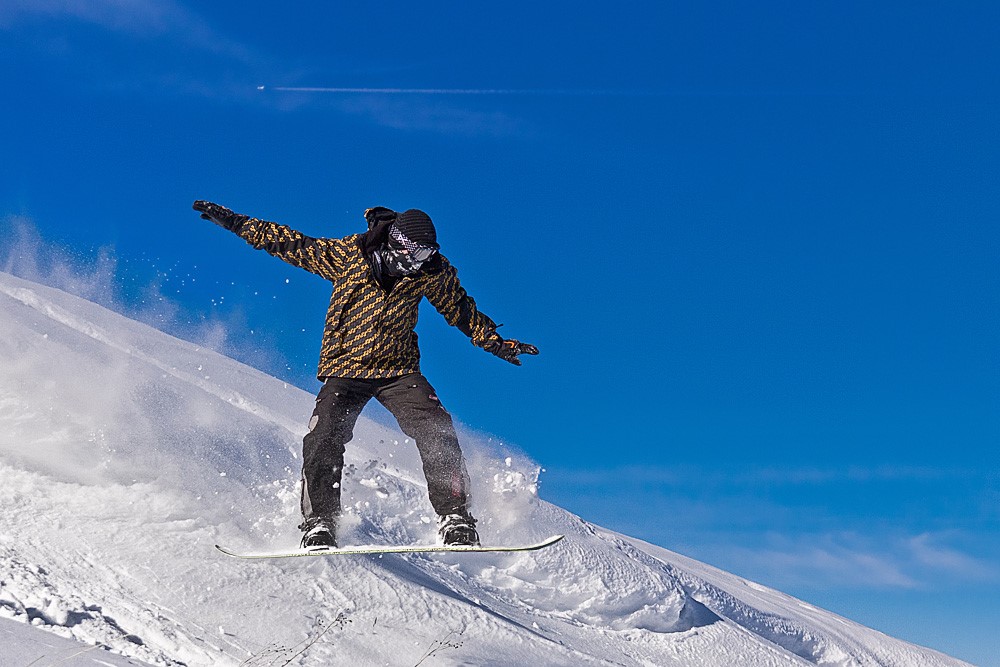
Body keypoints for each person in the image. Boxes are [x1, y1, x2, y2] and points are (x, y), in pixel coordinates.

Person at [192, 201, 538, 549]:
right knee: (323, 434)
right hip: (345, 368)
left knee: (437, 427)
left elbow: (459, 307)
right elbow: (293, 245)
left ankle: (455, 518)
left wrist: (495, 342)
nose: (419, 262)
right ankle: (320, 522)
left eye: (427, 254)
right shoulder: (350, 255)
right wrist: (237, 223)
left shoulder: (431, 271)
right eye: (415, 253)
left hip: (398, 369)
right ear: (398, 242)